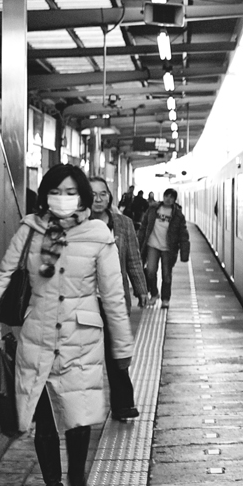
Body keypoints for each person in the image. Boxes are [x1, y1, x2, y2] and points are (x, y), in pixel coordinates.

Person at [0, 164, 133, 486]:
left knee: (78, 419)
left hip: (81, 340)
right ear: (45, 195)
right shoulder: (30, 230)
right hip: (37, 336)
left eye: (70, 193)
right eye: (55, 192)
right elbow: (5, 275)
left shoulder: (99, 234)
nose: (62, 200)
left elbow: (112, 295)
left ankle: (77, 476)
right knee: (44, 421)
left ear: (82, 197)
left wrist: (122, 347)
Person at [90, 175, 148, 421]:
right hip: (85, 301)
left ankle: (123, 406)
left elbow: (133, 259)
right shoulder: (76, 225)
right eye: (92, 194)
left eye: (103, 193)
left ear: (110, 196)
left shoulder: (123, 224)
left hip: (114, 299)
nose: (98, 198)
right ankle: (86, 410)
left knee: (117, 355)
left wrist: (141, 289)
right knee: (87, 358)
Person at [140, 188, 190, 307]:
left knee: (166, 275)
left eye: (171, 197)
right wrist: (139, 242)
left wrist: (184, 253)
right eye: (166, 196)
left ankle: (165, 299)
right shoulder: (153, 209)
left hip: (169, 248)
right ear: (163, 196)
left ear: (174, 200)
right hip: (152, 245)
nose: (168, 199)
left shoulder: (178, 215)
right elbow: (144, 226)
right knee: (151, 271)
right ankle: (154, 293)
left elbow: (183, 234)